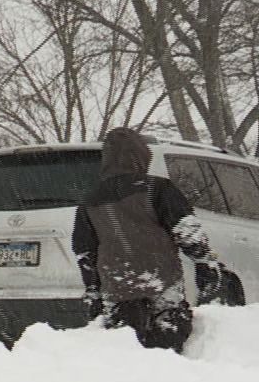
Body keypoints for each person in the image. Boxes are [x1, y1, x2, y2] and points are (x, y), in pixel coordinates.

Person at [72, 127, 223, 352]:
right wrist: (206, 262)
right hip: (161, 284)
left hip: (117, 288)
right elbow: (186, 231)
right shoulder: (157, 188)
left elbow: (85, 252)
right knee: (167, 349)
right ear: (142, 155)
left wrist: (93, 290)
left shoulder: (89, 201)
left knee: (127, 354)